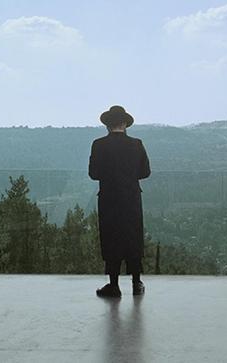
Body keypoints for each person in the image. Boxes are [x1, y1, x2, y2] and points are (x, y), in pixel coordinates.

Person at [89, 105, 151, 298]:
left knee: (111, 239)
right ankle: (136, 283)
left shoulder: (98, 145)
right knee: (133, 238)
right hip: (131, 198)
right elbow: (145, 172)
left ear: (107, 125)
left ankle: (114, 285)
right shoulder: (137, 144)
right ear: (125, 124)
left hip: (109, 199)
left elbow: (94, 174)